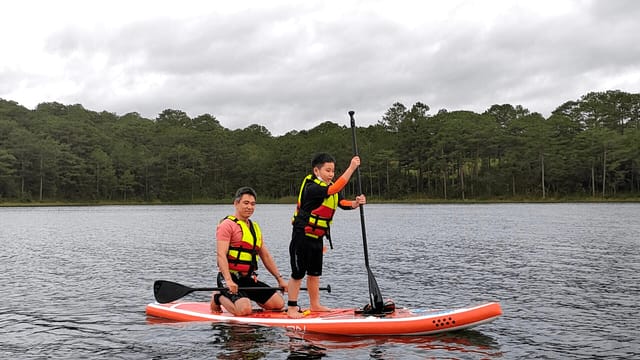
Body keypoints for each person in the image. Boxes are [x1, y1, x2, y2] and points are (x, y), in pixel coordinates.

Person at [287, 153, 366, 318]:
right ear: (316, 170)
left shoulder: (330, 186)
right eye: (327, 170)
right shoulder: (312, 187)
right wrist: (351, 168)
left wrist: (356, 203)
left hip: (318, 237)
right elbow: (335, 188)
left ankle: (315, 305)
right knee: (298, 273)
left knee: (315, 274)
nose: (331, 174)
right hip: (302, 235)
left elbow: (342, 203)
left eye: (333, 171)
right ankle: (292, 308)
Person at [211, 186, 288, 316]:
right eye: (245, 203)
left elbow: (265, 256)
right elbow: (221, 255)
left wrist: (279, 279)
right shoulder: (227, 225)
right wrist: (229, 281)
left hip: (247, 278)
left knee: (278, 304)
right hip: (229, 277)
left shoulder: (255, 228)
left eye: (252, 204)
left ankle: (243, 297)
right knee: (244, 310)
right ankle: (218, 297)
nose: (249, 207)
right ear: (236, 203)